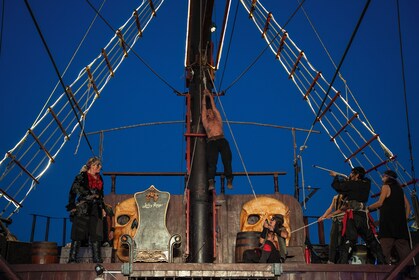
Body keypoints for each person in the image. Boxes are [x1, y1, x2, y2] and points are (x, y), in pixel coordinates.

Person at [330, 166, 386, 264]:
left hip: (353, 216)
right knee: (370, 239)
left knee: (349, 239)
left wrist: (335, 177)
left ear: (357, 175)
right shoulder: (366, 184)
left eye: (352, 173)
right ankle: (382, 261)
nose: (350, 175)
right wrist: (350, 179)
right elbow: (361, 182)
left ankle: (343, 263)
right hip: (363, 215)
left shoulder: (351, 184)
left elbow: (338, 187)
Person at [367, 170, 412, 265]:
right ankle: (411, 272)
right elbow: (408, 206)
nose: (381, 177)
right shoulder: (400, 189)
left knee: (384, 251)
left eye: (383, 175)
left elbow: (380, 203)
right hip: (401, 226)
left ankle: (383, 274)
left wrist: (367, 208)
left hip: (388, 225)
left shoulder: (386, 187)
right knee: (405, 254)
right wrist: (405, 219)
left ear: (388, 177)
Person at [66, 157, 105, 263]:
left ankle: (96, 258)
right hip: (83, 208)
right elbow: (73, 191)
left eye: (100, 165)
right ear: (91, 166)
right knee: (78, 233)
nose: (100, 167)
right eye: (98, 165)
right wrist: (72, 205)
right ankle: (72, 258)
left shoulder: (100, 178)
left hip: (95, 208)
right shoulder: (81, 177)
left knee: (96, 233)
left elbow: (101, 195)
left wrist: (102, 208)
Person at [201, 89, 233, 191]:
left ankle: (229, 178)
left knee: (227, 159)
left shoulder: (218, 119)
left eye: (210, 112)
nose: (209, 113)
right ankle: (211, 182)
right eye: (208, 112)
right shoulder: (206, 122)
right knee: (211, 162)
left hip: (221, 140)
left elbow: (214, 108)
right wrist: (203, 97)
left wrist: (209, 95)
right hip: (211, 141)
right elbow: (203, 108)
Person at [318, 193, 346, 263]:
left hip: (343, 221)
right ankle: (331, 260)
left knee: (341, 242)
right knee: (332, 241)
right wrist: (323, 216)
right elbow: (330, 208)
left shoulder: (347, 197)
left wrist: (331, 215)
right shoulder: (335, 197)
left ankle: (342, 260)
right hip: (335, 221)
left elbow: (342, 209)